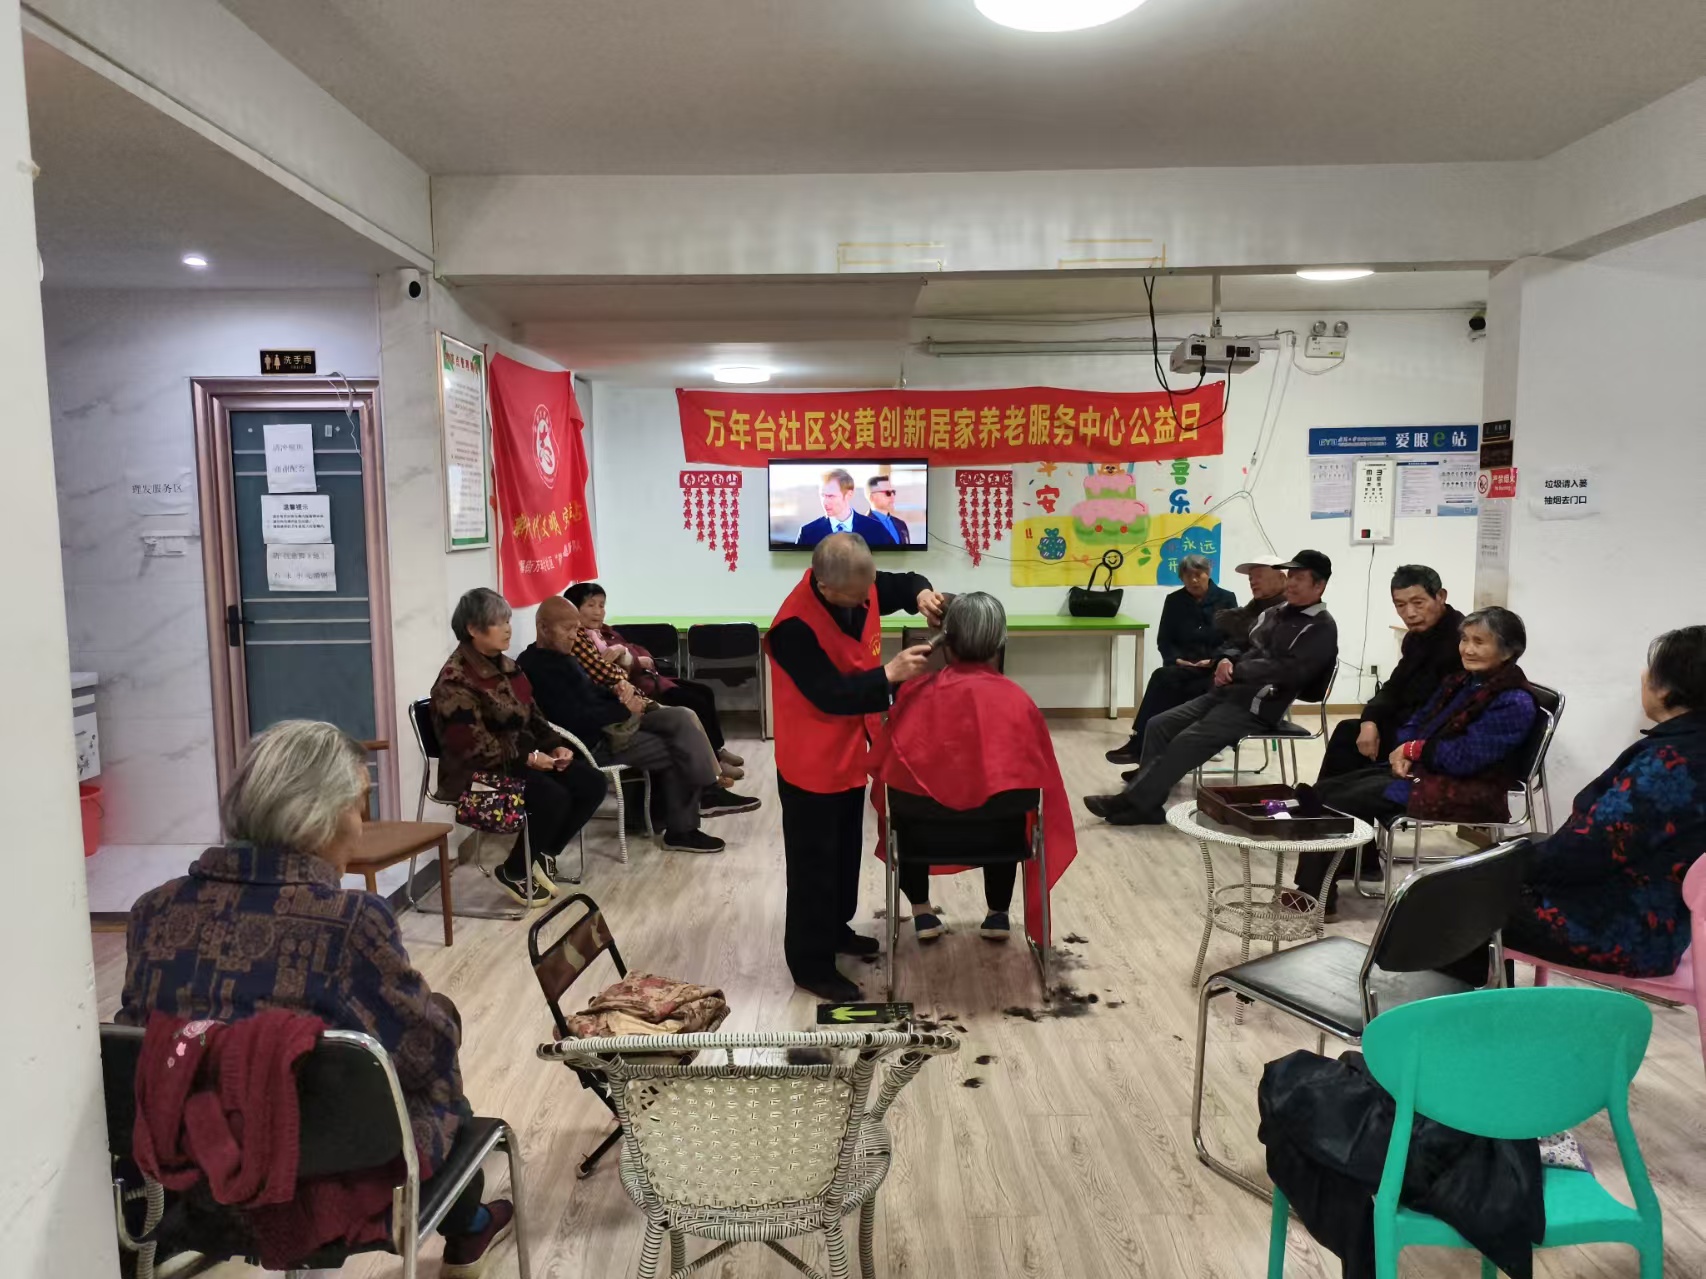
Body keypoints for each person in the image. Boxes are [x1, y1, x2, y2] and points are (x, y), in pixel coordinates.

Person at [117, 721, 514, 1277]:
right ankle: (468, 1226)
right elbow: (427, 1055)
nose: (360, 826)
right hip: (313, 1179)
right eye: (358, 806)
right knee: (437, 1058)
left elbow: (141, 1043)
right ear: (319, 816)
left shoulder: (153, 910)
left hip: (185, 1170)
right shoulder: (349, 922)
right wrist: (442, 1017)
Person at [769, 532, 943, 1001]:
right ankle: (810, 964)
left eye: (869, 590)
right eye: (856, 596)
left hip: (850, 752)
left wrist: (922, 594)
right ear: (824, 586)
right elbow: (829, 694)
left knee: (845, 853)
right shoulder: (793, 628)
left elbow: (904, 583)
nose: (867, 601)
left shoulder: (860, 584)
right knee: (813, 865)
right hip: (809, 761)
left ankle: (835, 929)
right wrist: (889, 674)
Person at [1289, 607, 1536, 917]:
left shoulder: (1513, 700)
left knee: (1336, 802)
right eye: (1464, 639)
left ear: (1508, 651)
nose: (1468, 649)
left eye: (1479, 642)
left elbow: (1466, 758)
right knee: (1325, 790)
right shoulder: (1463, 680)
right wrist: (1405, 749)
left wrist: (1415, 751)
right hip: (1428, 772)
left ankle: (1315, 897)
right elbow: (1420, 720)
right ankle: (1319, 886)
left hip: (1466, 787)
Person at [870, 592, 1078, 944]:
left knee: (904, 811)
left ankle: (922, 911)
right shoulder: (1018, 702)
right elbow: (1040, 786)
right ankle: (998, 913)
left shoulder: (914, 694)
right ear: (999, 642)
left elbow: (887, 779)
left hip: (923, 839)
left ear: (946, 640)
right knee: (1006, 802)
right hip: (1000, 840)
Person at [1499, 626, 1706, 977]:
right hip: (1664, 915)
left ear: (1667, 687)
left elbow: (1587, 852)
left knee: (1456, 903)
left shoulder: (1670, 764)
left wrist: (1508, 869)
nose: (1643, 675)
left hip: (1622, 929)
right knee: (1489, 873)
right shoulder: (1688, 748)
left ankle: (1464, 1009)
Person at [1084, 550, 1338, 826]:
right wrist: (1224, 660)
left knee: (1185, 740)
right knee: (1158, 725)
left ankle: (1133, 801)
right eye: (1291, 576)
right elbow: (1240, 643)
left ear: (1319, 586)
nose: (1291, 583)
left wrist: (1238, 670)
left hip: (1258, 707)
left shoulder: (1321, 627)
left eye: (1300, 578)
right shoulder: (1274, 613)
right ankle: (1147, 803)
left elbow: (1288, 671)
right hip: (1226, 693)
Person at [519, 597, 758, 854]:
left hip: (616, 723)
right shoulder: (539, 666)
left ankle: (705, 795)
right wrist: (625, 708)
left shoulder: (563, 656)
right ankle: (687, 823)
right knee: (678, 746)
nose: (573, 637)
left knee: (681, 716)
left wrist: (618, 692)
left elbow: (592, 693)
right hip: (597, 742)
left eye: (576, 630)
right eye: (567, 629)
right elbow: (576, 718)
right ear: (543, 627)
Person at [432, 587, 608, 905]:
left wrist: (554, 746)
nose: (508, 629)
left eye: (508, 621)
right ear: (473, 629)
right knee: (552, 796)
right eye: (499, 623)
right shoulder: (455, 681)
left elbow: (534, 715)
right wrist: (530, 758)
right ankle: (514, 871)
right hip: (475, 775)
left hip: (516, 761)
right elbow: (473, 747)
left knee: (592, 783)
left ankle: (538, 856)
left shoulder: (507, 666)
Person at [563, 580, 744, 778]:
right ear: (573, 610)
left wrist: (626, 653)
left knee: (704, 692)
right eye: (591, 605)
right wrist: (632, 661)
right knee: (693, 704)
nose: (598, 612)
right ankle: (713, 765)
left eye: (601, 605)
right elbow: (614, 672)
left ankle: (717, 751)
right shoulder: (582, 640)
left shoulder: (605, 631)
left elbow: (640, 653)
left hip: (652, 680)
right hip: (642, 688)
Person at [1318, 564, 1464, 780]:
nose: (1410, 613)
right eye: (1400, 605)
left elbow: (1449, 709)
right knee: (1350, 732)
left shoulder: (1462, 641)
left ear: (1441, 596)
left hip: (1430, 735)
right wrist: (1370, 720)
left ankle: (1333, 795)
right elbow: (1395, 685)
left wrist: (1408, 745)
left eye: (1418, 603)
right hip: (1406, 724)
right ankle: (1324, 796)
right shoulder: (1415, 638)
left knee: (1348, 746)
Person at [1105, 553, 1239, 765]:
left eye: (1198, 574)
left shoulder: (1226, 598)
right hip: (1184, 665)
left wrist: (1214, 660)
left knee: (1174, 684)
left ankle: (1146, 745)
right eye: (1187, 576)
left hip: (1214, 668)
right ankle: (1141, 740)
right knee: (1163, 677)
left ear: (1208, 573)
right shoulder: (1174, 601)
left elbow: (1233, 639)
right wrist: (1176, 659)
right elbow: (1164, 640)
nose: (1193, 580)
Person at [796, 468, 896, 548]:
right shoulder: (808, 533)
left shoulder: (875, 529)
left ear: (849, 495)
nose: (825, 502)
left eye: (831, 496)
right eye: (823, 495)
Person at [865, 473, 911, 545]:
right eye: (887, 493)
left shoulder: (901, 525)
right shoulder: (862, 527)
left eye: (893, 492)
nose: (892, 496)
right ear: (872, 497)